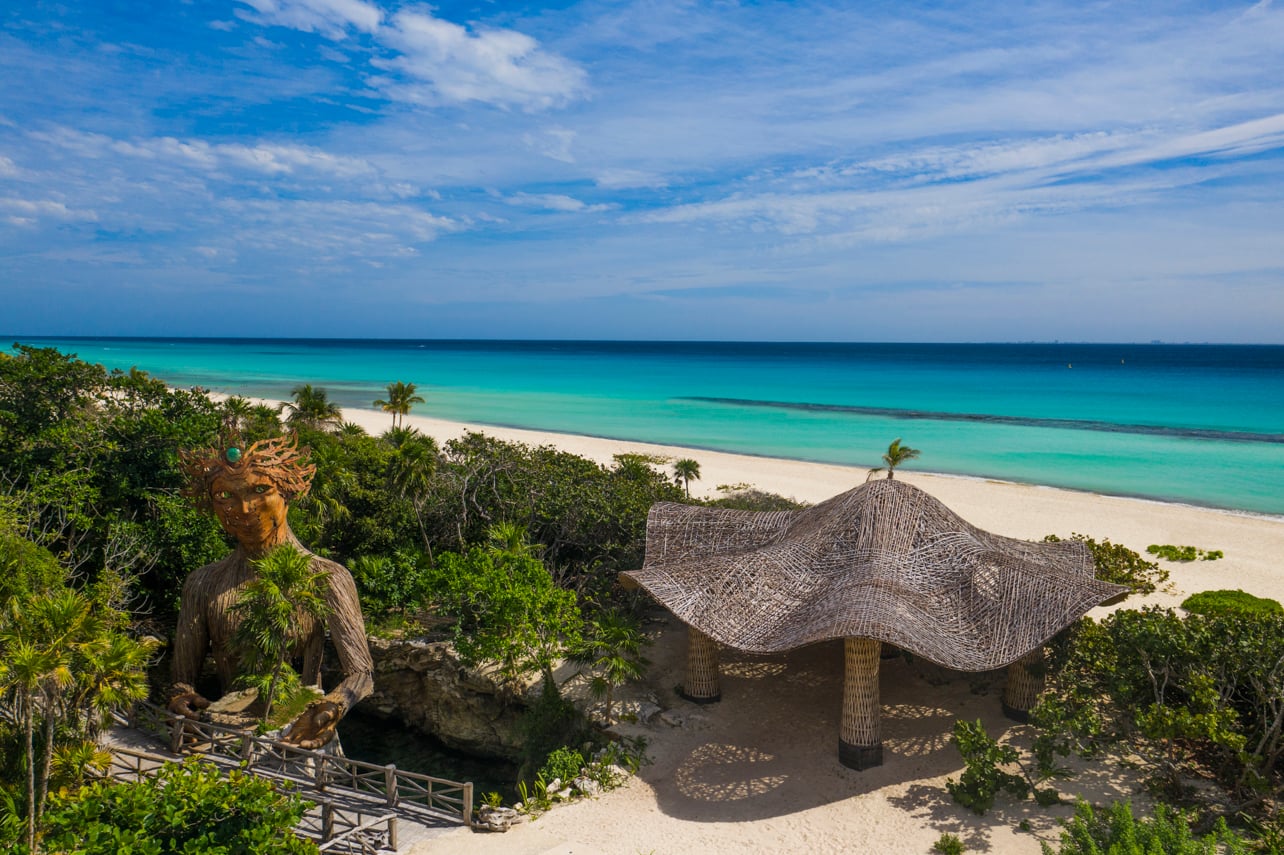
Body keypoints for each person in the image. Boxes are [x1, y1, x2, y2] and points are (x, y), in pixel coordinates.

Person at [169, 434, 373, 749]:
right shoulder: (203, 583)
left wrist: (333, 706)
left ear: (286, 494)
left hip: (298, 733)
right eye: (225, 495)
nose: (245, 508)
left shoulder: (327, 577)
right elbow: (183, 677)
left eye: (260, 490)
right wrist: (181, 697)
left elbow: (361, 673)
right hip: (228, 733)